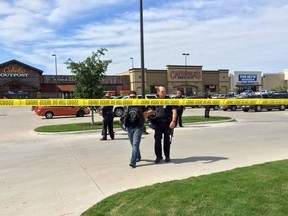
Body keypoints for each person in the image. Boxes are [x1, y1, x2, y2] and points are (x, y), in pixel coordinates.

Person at [124, 91, 155, 168]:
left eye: (134, 97)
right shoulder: (126, 105)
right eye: (131, 97)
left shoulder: (140, 104)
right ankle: (138, 156)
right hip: (129, 127)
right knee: (133, 144)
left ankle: (133, 161)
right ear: (128, 97)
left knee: (135, 144)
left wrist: (150, 113)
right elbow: (124, 115)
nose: (132, 98)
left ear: (136, 97)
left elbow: (145, 113)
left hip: (138, 126)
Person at [153, 86, 177, 163]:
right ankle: (158, 157)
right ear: (158, 92)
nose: (164, 92)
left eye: (165, 91)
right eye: (162, 91)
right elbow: (151, 110)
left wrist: (173, 121)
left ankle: (167, 156)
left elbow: (174, 110)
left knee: (167, 140)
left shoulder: (169, 100)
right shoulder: (154, 101)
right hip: (158, 123)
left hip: (167, 123)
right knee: (157, 141)